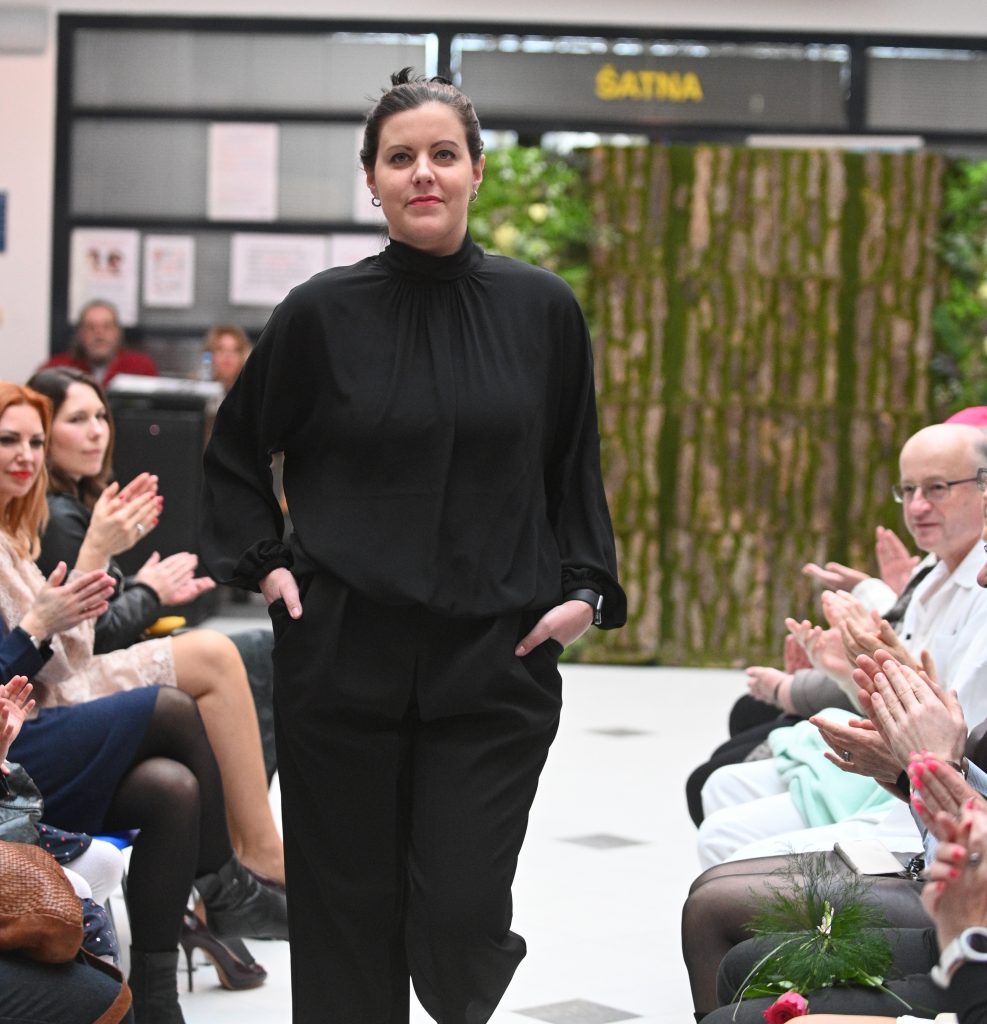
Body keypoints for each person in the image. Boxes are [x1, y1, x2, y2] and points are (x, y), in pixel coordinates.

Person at [200, 68, 626, 1024]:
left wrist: (584, 589)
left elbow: (572, 466)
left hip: (494, 658)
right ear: (372, 180)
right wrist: (268, 563)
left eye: (442, 154)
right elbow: (235, 451)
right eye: (400, 158)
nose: (422, 173)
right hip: (343, 652)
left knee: (460, 916)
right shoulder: (320, 313)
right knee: (345, 917)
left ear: (476, 170)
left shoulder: (542, 309)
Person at [0, 381, 286, 1021]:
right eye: (9, 439)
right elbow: (55, 658)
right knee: (179, 701)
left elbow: (66, 653)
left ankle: (159, 1000)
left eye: (35, 441)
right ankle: (232, 879)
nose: (26, 455)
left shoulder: (16, 535)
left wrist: (63, 610)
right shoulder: (51, 522)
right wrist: (63, 608)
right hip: (19, 745)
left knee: (172, 788)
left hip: (37, 723)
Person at [697, 424, 987, 866]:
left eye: (937, 488)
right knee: (720, 788)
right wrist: (852, 666)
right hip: (919, 784)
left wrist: (879, 673)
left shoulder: (975, 587)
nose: (918, 506)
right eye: (908, 490)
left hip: (933, 806)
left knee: (726, 838)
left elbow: (950, 732)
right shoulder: (932, 571)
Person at [29, 366, 277, 781]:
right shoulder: (58, 515)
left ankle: (241, 802)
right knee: (254, 650)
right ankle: (246, 808)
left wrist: (140, 585)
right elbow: (89, 635)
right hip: (75, 679)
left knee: (253, 649)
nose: (97, 431)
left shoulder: (72, 502)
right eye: (77, 420)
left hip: (94, 659)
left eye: (101, 416)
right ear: (44, 435)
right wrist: (149, 591)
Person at [39, 300, 158, 386]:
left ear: (118, 332)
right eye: (91, 327)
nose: (99, 335)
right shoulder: (57, 369)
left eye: (107, 327)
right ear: (80, 334)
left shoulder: (141, 367)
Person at [202, 324, 252, 392]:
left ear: (243, 356)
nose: (228, 355)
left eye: (234, 350)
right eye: (221, 349)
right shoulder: (195, 389)